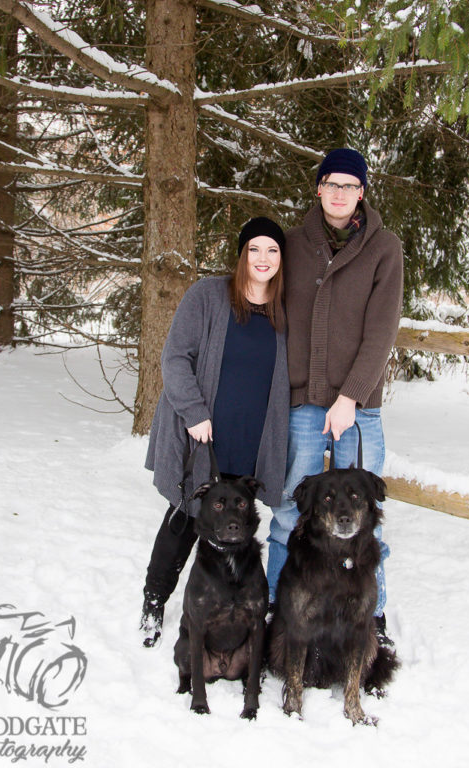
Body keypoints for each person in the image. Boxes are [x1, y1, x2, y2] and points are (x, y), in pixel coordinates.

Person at [266, 148, 403, 642]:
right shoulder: (292, 243)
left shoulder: (384, 248)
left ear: (362, 192)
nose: (341, 193)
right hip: (303, 403)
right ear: (319, 188)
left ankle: (374, 616)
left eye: (351, 185)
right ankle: (278, 610)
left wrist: (350, 396)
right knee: (289, 510)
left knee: (366, 517)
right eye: (332, 184)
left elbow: (381, 331)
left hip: (359, 408)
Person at [140, 216, 289, 648]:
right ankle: (154, 602)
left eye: (273, 251)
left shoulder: (283, 312)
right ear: (242, 254)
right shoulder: (207, 296)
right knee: (185, 520)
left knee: (237, 528)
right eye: (255, 249)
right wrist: (193, 412)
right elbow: (174, 358)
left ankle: (229, 609)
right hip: (203, 436)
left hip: (250, 441)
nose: (263, 259)